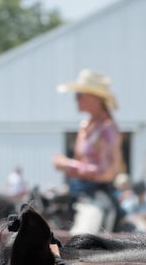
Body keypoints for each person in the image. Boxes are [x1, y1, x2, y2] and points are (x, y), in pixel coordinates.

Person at [52, 68, 125, 234]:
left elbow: (107, 172)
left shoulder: (108, 129)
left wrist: (67, 165)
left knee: (81, 235)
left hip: (96, 196)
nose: (75, 99)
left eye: (79, 95)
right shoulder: (85, 126)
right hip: (77, 192)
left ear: (95, 98)